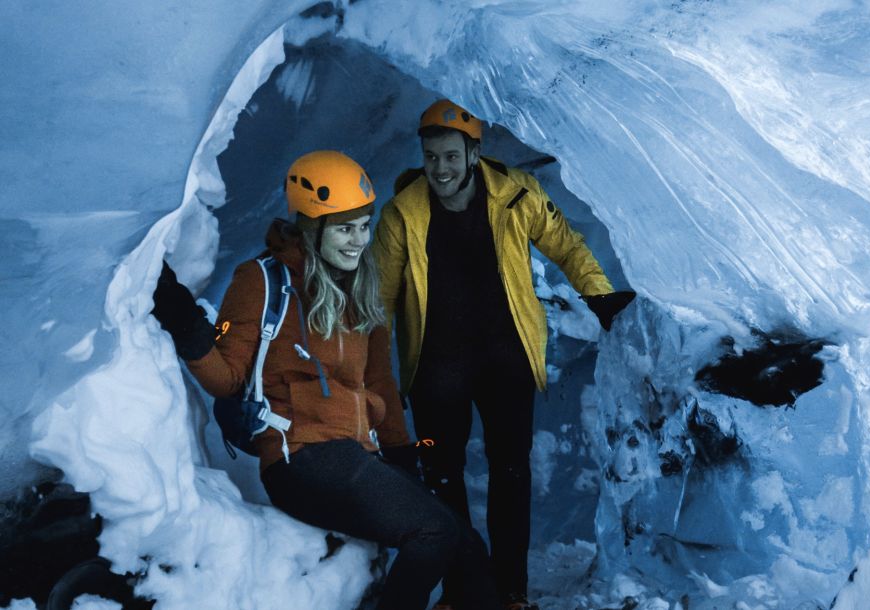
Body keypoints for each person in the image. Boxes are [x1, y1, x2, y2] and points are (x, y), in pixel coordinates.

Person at [150, 150, 500, 610]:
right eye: (343, 228)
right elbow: (227, 377)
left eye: (363, 225)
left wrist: (401, 462)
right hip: (301, 459)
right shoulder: (261, 280)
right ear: (312, 227)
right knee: (434, 533)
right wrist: (186, 322)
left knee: (466, 547)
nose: (358, 240)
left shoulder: (363, 289)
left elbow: (379, 385)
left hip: (357, 454)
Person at [373, 100, 636, 610]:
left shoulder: (517, 194)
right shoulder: (401, 214)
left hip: (505, 361)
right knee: (442, 478)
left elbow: (567, 245)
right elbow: (380, 298)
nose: (441, 169)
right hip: (435, 370)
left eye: (451, 156)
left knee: (511, 474)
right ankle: (461, 589)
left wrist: (600, 296)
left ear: (474, 153)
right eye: (432, 158)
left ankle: (510, 590)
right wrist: (367, 368)